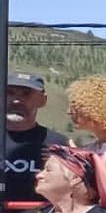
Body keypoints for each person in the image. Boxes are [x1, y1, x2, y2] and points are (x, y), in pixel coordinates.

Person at [4, 72, 69, 205]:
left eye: (26, 94)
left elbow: (72, 190)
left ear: (42, 100)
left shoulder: (58, 144)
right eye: (10, 92)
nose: (16, 100)